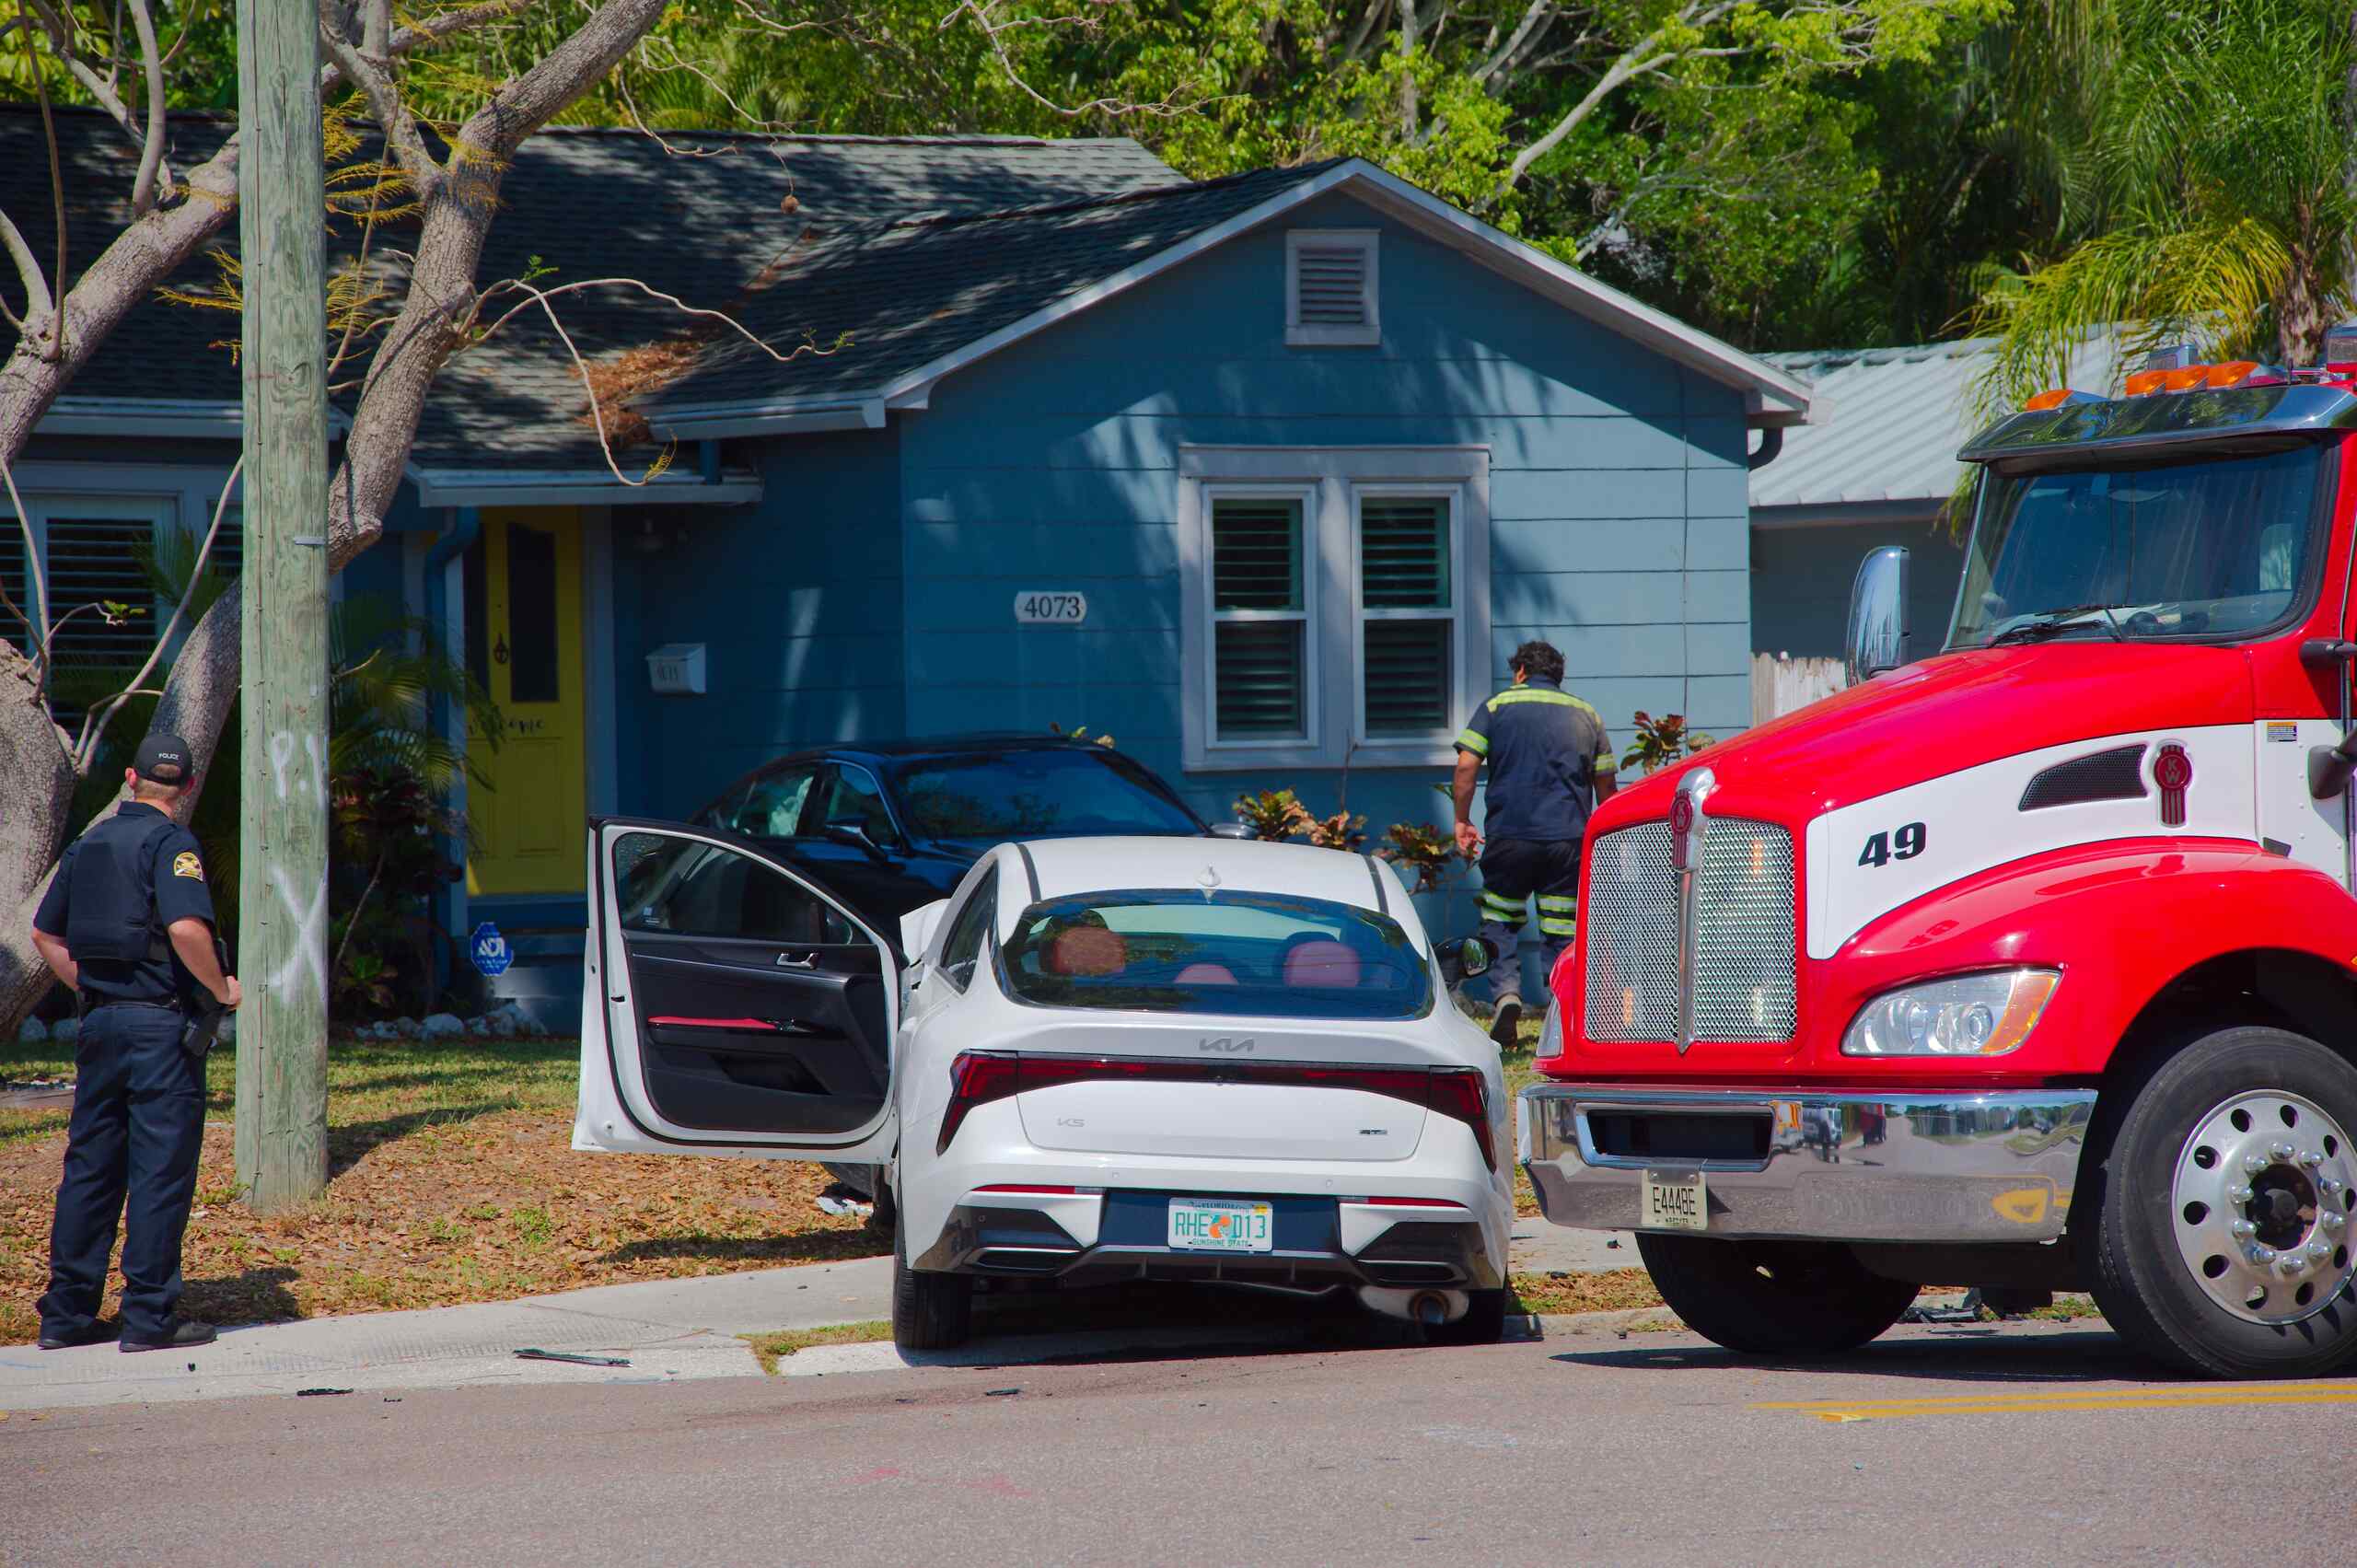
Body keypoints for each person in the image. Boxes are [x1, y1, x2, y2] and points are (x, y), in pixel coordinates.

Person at [31, 734, 240, 1353]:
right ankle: (149, 1318)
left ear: (130, 776)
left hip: (100, 1026)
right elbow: (183, 926)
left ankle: (65, 1316)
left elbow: (45, 934)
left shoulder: (88, 844)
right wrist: (222, 988)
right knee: (159, 1171)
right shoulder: (172, 844)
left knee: (90, 1170)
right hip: (159, 1031)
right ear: (190, 786)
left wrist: (92, 988)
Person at [1452, 641, 1618, 1047]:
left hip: (1510, 835)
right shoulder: (1587, 714)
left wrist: (1461, 820)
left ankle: (1507, 993)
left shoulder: (1496, 707)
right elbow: (1606, 784)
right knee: (1563, 929)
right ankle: (1560, 1011)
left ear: (1521, 671)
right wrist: (1608, 836)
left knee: (1501, 918)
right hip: (1567, 839)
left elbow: (1466, 764)